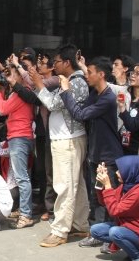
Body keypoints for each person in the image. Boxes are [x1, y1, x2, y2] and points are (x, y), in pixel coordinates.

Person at [59, 56, 123, 247]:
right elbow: (81, 108)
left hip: (108, 155)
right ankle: (99, 234)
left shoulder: (108, 98)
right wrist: (82, 65)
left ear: (101, 74)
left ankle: (112, 238)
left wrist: (66, 92)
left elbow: (80, 114)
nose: (87, 75)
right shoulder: (96, 93)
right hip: (95, 153)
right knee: (96, 198)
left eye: (90, 72)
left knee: (109, 197)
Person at [33, 45, 90, 247]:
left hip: (68, 140)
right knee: (77, 184)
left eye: (56, 62)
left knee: (64, 186)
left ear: (67, 62)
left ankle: (59, 231)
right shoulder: (71, 80)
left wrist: (39, 84)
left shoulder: (76, 82)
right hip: (66, 139)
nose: (53, 66)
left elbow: (54, 104)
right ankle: (80, 224)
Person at [0, 67, 35, 229]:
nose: (8, 78)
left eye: (11, 75)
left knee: (22, 178)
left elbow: (2, 109)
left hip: (19, 137)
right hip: (20, 136)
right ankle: (24, 210)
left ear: (21, 77)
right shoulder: (20, 93)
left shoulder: (22, 92)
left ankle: (26, 215)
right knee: (22, 177)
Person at [90, 156, 139, 261]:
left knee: (115, 232)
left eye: (120, 170)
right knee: (96, 230)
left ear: (132, 171)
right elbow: (105, 202)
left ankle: (138, 258)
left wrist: (108, 185)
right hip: (131, 228)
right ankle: (132, 250)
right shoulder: (126, 186)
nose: (116, 172)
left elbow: (114, 211)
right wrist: (101, 184)